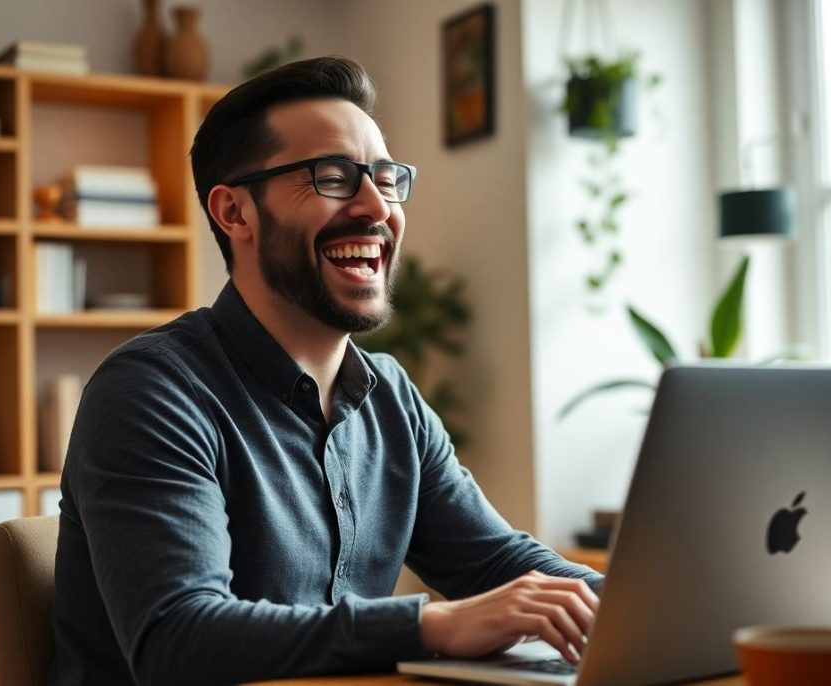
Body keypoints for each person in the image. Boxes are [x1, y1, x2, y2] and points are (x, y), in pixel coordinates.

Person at [49, 56, 602, 686]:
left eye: (387, 178)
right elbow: (179, 639)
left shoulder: (391, 395)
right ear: (235, 213)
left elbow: (497, 560)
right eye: (332, 177)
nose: (376, 207)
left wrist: (640, 602)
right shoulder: (151, 392)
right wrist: (432, 625)